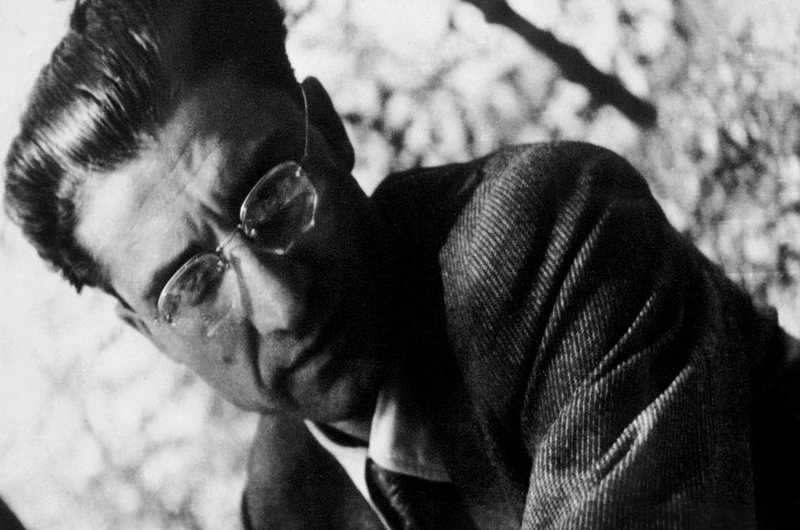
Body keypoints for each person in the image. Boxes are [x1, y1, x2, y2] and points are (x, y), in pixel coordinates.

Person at [4, 0, 799, 528]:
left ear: (329, 131)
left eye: (273, 196)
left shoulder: (543, 239)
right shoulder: (285, 500)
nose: (284, 303)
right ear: (149, 333)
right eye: (193, 283)